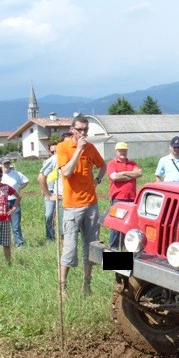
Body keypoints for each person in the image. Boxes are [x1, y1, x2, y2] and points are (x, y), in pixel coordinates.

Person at [56, 114, 106, 296]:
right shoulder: (63, 147)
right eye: (79, 129)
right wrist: (78, 150)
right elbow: (67, 172)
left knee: (91, 246)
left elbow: (103, 165)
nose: (83, 133)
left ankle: (87, 285)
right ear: (72, 129)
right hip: (72, 206)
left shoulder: (91, 148)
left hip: (91, 204)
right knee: (70, 247)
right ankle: (62, 287)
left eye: (85, 129)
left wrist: (98, 179)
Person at [0, 158, 29, 247]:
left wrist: (18, 189)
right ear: (1, 164)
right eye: (5, 164)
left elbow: (26, 181)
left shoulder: (16, 173)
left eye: (8, 163)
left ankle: (19, 244)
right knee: (0, 224)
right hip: (1, 203)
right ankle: (1, 243)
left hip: (13, 200)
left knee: (15, 225)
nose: (6, 165)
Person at [38, 132, 72, 242]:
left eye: (56, 151)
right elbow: (42, 177)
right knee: (49, 216)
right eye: (52, 152)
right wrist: (47, 194)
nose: (54, 153)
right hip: (52, 192)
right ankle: (50, 237)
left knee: (64, 220)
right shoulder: (50, 161)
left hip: (65, 195)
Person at [107, 141, 143, 248]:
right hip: (118, 200)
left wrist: (122, 173)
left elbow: (140, 173)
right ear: (116, 151)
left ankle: (127, 249)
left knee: (129, 226)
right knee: (116, 227)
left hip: (131, 199)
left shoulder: (132, 163)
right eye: (120, 151)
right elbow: (114, 177)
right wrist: (132, 175)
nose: (122, 153)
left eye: (124, 150)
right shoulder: (111, 163)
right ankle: (114, 250)